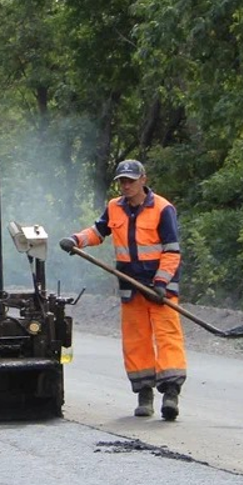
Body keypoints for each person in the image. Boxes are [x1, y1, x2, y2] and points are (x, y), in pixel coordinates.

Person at [59, 159, 187, 420]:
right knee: (136, 341)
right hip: (131, 286)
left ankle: (171, 394)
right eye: (122, 181)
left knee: (167, 338)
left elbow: (172, 252)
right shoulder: (114, 208)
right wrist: (76, 240)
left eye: (130, 180)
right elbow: (98, 232)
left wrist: (160, 284)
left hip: (160, 288)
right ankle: (144, 395)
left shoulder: (163, 209)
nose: (126, 185)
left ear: (143, 179)